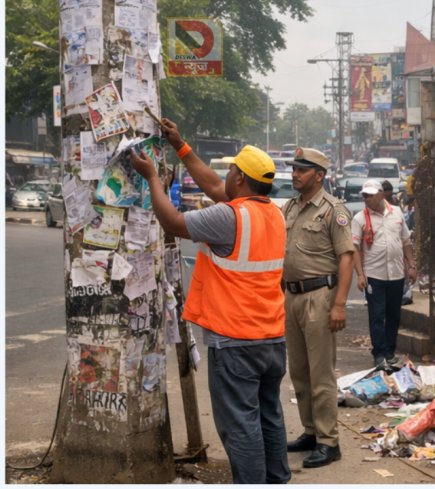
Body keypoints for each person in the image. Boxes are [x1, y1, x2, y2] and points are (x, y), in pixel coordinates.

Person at [129, 120, 290, 484]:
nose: (227, 175)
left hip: (235, 342)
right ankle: (277, 480)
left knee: (241, 425)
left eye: (231, 169)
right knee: (269, 416)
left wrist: (152, 177)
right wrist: (181, 147)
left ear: (240, 179)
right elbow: (216, 187)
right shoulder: (272, 215)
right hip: (271, 338)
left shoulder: (228, 217)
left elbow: (173, 223)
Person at [282, 147, 354, 468]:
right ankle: (310, 431)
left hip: (320, 297)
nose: (295, 174)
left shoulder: (333, 210)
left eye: (302, 169)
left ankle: (329, 441)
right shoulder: (290, 207)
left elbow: (347, 257)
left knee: (321, 373)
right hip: (292, 296)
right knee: (299, 371)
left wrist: (339, 303)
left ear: (319, 175)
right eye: (294, 168)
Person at [351, 179, 416, 367]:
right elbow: (354, 248)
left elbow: (406, 241)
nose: (367, 199)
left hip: (396, 273)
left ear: (381, 194)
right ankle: (378, 354)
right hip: (374, 275)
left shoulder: (396, 213)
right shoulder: (360, 218)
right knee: (377, 315)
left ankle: (389, 352)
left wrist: (411, 265)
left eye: (370, 195)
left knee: (394, 314)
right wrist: (360, 275)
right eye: (364, 195)